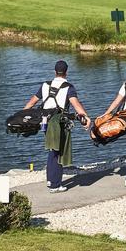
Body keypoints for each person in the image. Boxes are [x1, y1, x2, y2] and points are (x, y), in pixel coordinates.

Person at [22, 60, 90, 193]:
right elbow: (76, 105)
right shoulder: (68, 87)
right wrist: (86, 117)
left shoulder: (45, 85)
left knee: (52, 150)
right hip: (59, 123)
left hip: (44, 122)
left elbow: (31, 103)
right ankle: (55, 185)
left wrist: (23, 117)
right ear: (66, 72)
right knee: (58, 152)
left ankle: (50, 180)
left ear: (55, 72)